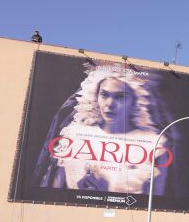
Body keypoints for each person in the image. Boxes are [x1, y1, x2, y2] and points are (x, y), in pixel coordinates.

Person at [34, 62, 171, 195]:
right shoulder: (75, 134)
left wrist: (106, 194)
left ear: (136, 101)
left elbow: (155, 206)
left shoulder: (153, 145)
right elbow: (53, 192)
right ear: (95, 96)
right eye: (104, 95)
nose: (109, 104)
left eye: (120, 97)